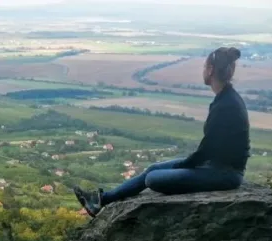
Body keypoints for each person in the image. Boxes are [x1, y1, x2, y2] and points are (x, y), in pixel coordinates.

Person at [74, 47, 250, 218]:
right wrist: (186, 165)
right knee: (153, 168)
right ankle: (101, 201)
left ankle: (101, 201)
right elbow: (212, 148)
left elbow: (207, 149)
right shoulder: (226, 98)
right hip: (215, 165)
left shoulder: (226, 105)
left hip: (225, 174)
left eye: (204, 67)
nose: (203, 70)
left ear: (210, 70)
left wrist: (184, 166)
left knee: (153, 179)